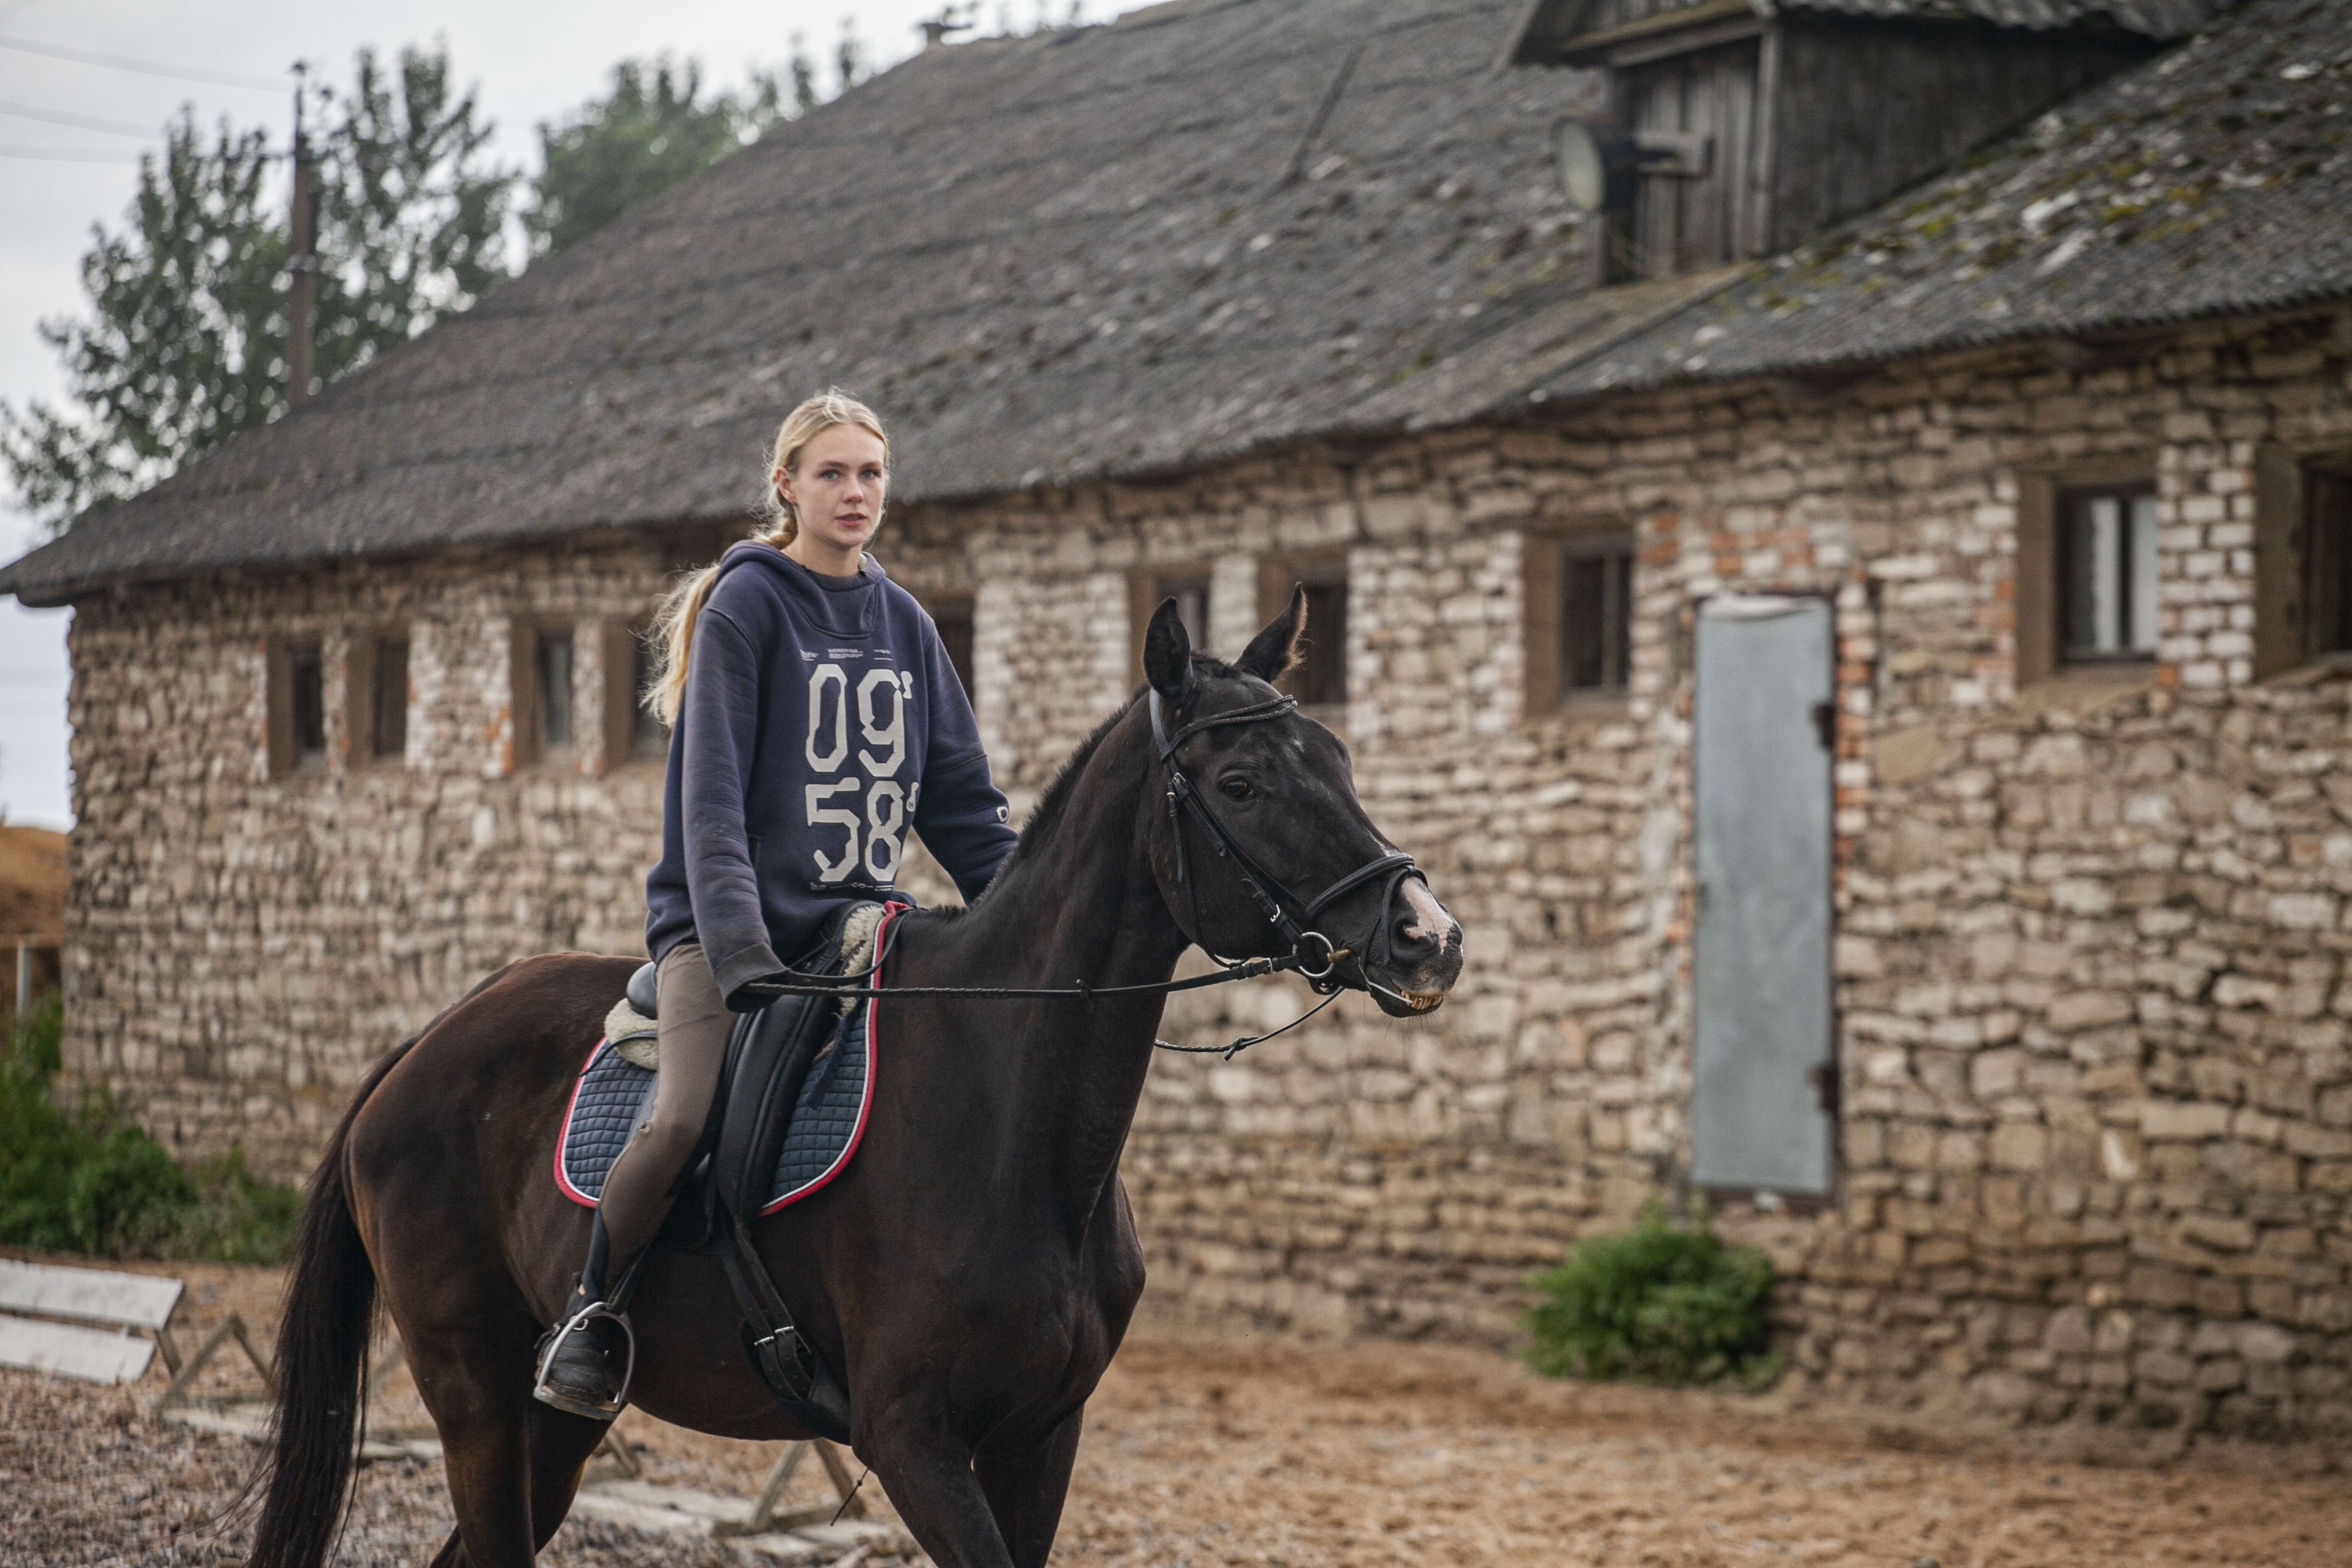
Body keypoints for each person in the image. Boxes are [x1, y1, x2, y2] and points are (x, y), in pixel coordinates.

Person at [534, 391, 1020, 1419]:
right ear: (786, 485)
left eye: (872, 474)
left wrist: (1030, 919)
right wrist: (739, 946)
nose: (856, 493)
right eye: (834, 473)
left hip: (860, 929)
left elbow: (965, 808)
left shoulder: (905, 622)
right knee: (679, 1119)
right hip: (727, 940)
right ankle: (593, 1314)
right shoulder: (747, 605)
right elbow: (708, 803)